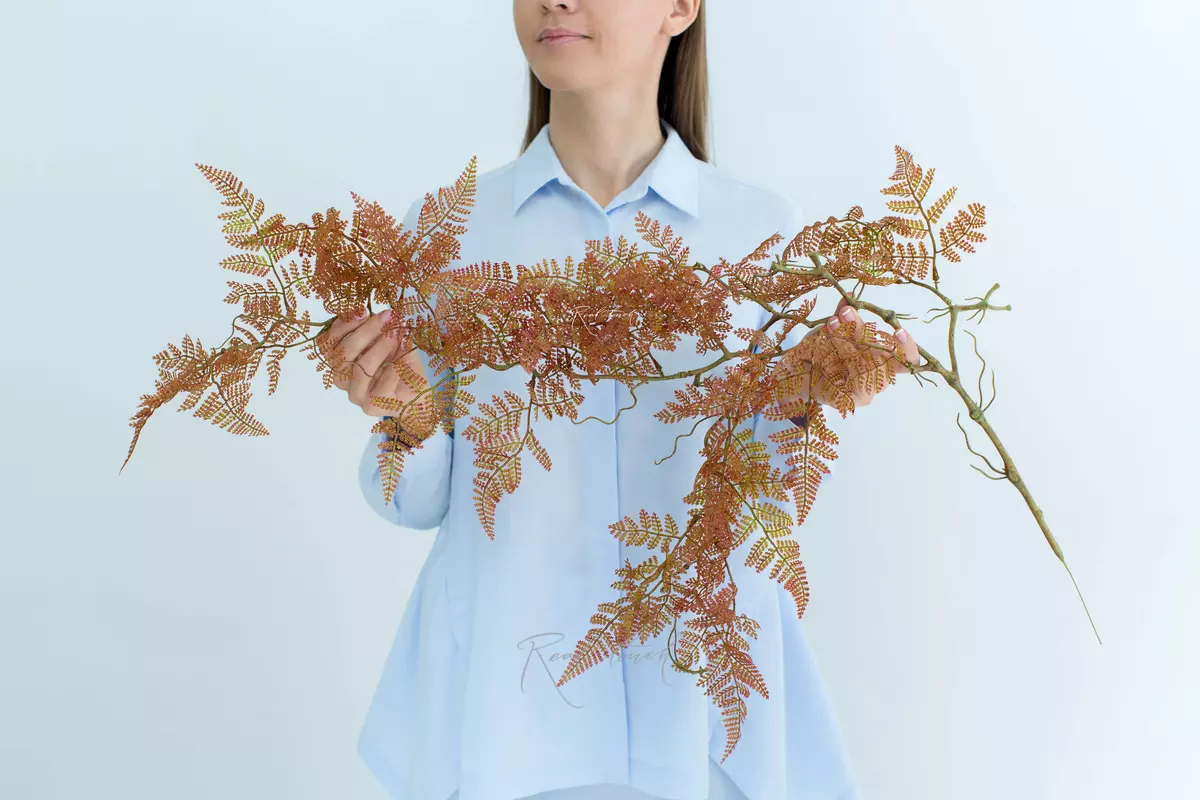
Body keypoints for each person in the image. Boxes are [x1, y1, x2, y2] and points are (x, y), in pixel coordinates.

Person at [326, 2, 917, 798]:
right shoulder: (449, 235)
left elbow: (767, 500)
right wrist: (410, 417)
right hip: (508, 719)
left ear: (680, 8)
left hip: (699, 715)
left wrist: (814, 395)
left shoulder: (763, 234)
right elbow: (416, 499)